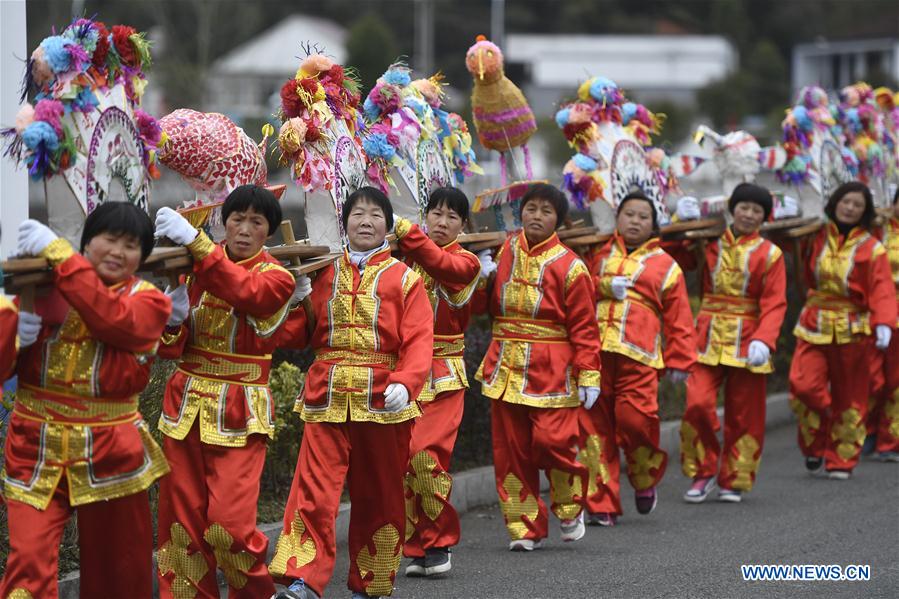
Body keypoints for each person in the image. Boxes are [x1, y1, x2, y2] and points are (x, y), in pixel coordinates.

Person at [0, 203, 171, 598]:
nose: (117, 250)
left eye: (131, 245)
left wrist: (60, 256)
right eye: (108, 239)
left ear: (142, 257)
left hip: (111, 451)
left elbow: (112, 320)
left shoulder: (148, 301)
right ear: (87, 242)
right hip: (35, 448)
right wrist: (12, 335)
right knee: (27, 562)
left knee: (120, 570)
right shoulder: (38, 290)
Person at [270, 187, 433, 599]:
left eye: (376, 215)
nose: (366, 221)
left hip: (383, 398)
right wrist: (293, 302)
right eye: (358, 213)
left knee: (380, 494)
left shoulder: (406, 279)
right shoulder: (323, 271)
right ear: (345, 221)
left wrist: (406, 383)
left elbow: (419, 341)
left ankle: (371, 582)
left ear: (388, 226)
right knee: (312, 489)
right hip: (326, 396)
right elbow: (298, 336)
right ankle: (302, 580)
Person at [153, 185, 295, 598]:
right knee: (180, 523)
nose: (245, 229)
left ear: (268, 231)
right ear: (223, 221)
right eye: (237, 219)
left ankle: (254, 593)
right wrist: (173, 314)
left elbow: (245, 292)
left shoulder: (277, 277)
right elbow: (169, 349)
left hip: (239, 410)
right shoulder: (193, 266)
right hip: (185, 406)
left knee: (227, 524)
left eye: (256, 222)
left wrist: (196, 244)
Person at [474, 182, 601, 551]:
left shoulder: (571, 266)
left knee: (553, 443)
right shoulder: (503, 249)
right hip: (504, 362)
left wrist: (589, 373)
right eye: (531, 208)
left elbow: (584, 327)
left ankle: (569, 506)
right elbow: (484, 307)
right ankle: (524, 527)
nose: (536, 216)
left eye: (546, 211)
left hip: (551, 368)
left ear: (558, 220)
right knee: (511, 451)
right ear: (521, 211)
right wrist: (480, 278)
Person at [580, 191, 696, 525]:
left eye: (643, 216)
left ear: (654, 224)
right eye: (629, 214)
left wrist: (680, 359)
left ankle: (644, 478)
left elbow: (679, 316)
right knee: (593, 427)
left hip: (640, 357)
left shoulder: (666, 264)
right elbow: (577, 286)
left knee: (636, 423)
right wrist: (602, 285)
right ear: (617, 218)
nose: (635, 221)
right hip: (595, 353)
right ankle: (601, 503)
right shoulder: (597, 252)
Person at [669, 184, 787, 503]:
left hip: (749, 340)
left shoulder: (770, 254)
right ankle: (702, 471)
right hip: (705, 337)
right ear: (732, 209)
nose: (748, 215)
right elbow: (672, 257)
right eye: (743, 207)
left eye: (756, 210)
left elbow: (775, 303)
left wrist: (765, 339)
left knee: (744, 413)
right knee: (697, 403)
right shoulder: (707, 242)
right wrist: (678, 220)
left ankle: (735, 477)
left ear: (764, 217)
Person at [393, 188, 481, 577]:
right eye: (436, 214)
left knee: (425, 460)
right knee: (401, 465)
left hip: (443, 374)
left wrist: (406, 231)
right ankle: (419, 547)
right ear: (425, 216)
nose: (442, 223)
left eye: (452, 217)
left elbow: (440, 263)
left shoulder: (466, 261)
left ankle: (440, 542)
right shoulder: (401, 257)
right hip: (402, 374)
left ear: (464, 225)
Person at [789, 181, 896, 479]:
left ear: (864, 212)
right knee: (804, 387)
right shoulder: (814, 235)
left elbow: (882, 288)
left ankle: (842, 459)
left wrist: (884, 322)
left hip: (853, 328)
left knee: (852, 396)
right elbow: (782, 242)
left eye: (857, 205)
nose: (850, 208)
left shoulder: (872, 248)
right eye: (846, 202)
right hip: (814, 323)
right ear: (835, 202)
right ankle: (816, 442)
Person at [864, 186, 899, 461]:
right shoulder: (878, 230)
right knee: (871, 377)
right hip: (874, 312)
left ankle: (890, 441)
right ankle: (868, 431)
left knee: (897, 381)